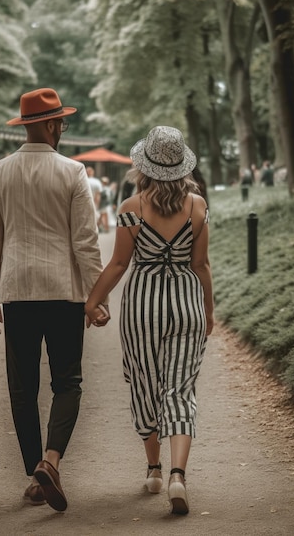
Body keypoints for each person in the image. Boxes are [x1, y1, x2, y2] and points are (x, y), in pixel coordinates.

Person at [0, 87, 108, 512]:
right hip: (64, 292)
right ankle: (50, 460)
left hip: (17, 291)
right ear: (52, 125)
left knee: (22, 387)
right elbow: (85, 242)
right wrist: (97, 295)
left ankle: (35, 475)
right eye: (61, 124)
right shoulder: (73, 172)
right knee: (67, 381)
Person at [85, 126, 214, 516]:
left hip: (142, 307)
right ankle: (178, 475)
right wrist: (208, 310)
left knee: (145, 383)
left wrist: (92, 302)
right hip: (187, 303)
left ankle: (154, 469)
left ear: (143, 166)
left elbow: (120, 264)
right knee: (180, 387)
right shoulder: (198, 207)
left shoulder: (131, 208)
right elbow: (201, 264)